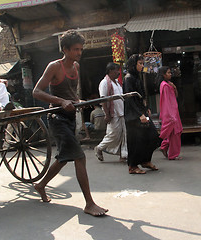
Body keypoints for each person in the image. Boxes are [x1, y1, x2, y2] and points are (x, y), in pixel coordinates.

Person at [32, 30, 108, 216]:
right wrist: (60, 101)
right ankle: (89, 204)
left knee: (65, 157)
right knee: (79, 157)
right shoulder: (54, 66)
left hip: (70, 118)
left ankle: (41, 185)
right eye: (75, 49)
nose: (79, 53)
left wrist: (77, 101)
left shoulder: (76, 67)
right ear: (65, 49)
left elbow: (72, 92)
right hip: (56, 118)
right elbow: (36, 91)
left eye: (81, 49)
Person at [123, 54, 161, 174]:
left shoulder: (137, 77)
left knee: (152, 136)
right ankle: (133, 166)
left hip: (141, 111)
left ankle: (145, 160)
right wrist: (140, 114)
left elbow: (141, 96)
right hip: (133, 115)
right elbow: (129, 99)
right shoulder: (128, 78)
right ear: (133, 65)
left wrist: (146, 109)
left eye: (142, 63)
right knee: (135, 141)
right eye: (140, 63)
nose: (142, 66)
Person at [94, 62, 127, 162]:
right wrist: (107, 114)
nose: (118, 72)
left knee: (124, 135)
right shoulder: (104, 83)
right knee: (113, 135)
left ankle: (123, 155)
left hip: (122, 112)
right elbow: (103, 100)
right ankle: (99, 148)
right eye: (116, 70)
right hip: (113, 114)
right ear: (110, 71)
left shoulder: (117, 83)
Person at [157, 66, 183, 160]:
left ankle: (164, 147)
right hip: (171, 113)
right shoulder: (164, 85)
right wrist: (171, 116)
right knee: (175, 133)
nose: (170, 74)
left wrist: (174, 87)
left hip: (173, 112)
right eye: (168, 73)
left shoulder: (168, 84)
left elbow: (175, 96)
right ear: (163, 75)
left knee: (174, 132)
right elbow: (166, 102)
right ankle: (173, 155)